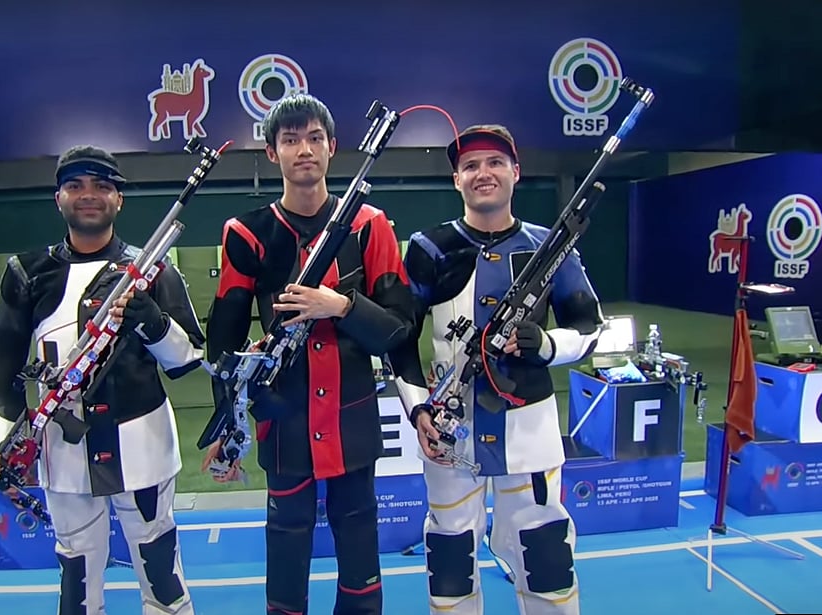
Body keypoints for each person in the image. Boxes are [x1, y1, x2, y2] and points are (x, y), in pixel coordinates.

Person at [202, 93, 416, 615]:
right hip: (283, 418)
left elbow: (399, 329)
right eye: (291, 139)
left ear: (332, 147)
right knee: (287, 542)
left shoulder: (369, 224)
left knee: (359, 540)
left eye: (315, 138)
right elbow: (224, 339)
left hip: (352, 416)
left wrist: (340, 306)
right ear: (271, 152)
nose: (304, 149)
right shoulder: (246, 233)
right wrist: (227, 424)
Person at [385, 124, 602, 615]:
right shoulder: (429, 247)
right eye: (470, 166)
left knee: (545, 554)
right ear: (456, 179)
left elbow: (591, 326)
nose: (483, 173)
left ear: (516, 172)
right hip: (449, 432)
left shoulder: (550, 246)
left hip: (529, 432)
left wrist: (548, 344)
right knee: (450, 559)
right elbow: (399, 337)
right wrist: (418, 410)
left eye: (495, 162)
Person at [0, 145, 203, 615]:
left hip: (142, 443)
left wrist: (154, 323)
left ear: (118, 199)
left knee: (160, 568)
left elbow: (188, 360)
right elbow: (3, 372)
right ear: (58, 198)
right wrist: (12, 444)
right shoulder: (26, 272)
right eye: (76, 185)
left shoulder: (154, 269)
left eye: (102, 185)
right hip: (61, 449)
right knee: (77, 572)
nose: (89, 195)